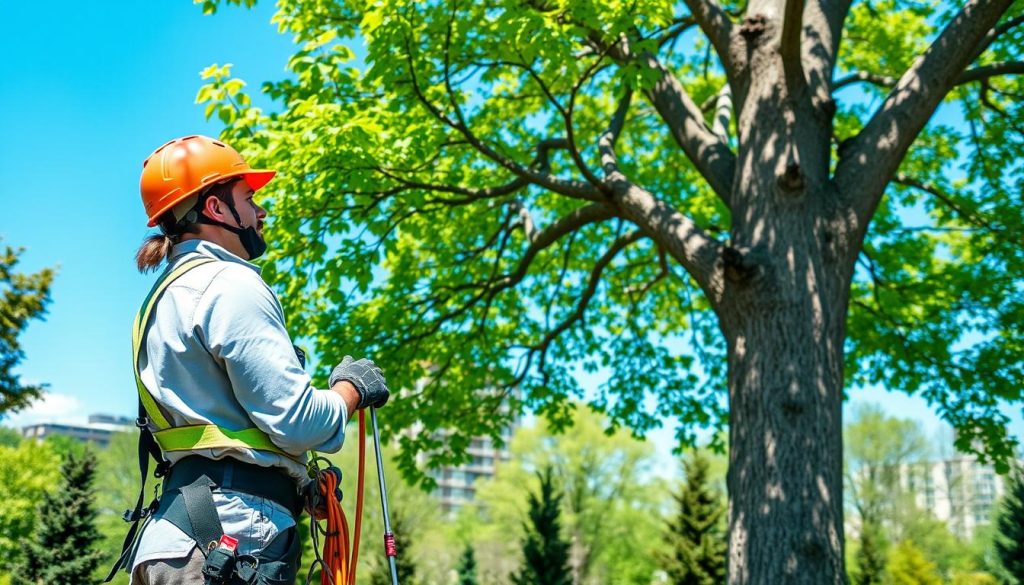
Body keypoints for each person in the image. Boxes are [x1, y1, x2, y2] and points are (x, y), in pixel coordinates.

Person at [108, 134, 389, 585]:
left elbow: (227, 431)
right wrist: (349, 390)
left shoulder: (161, 299)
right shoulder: (230, 284)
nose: (261, 212)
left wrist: (296, 483)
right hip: (234, 535)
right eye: (249, 198)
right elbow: (299, 423)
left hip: (178, 536)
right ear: (216, 209)